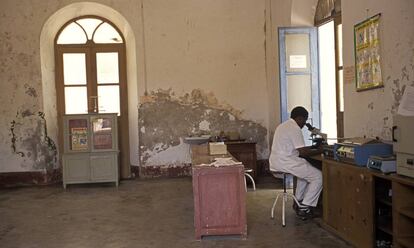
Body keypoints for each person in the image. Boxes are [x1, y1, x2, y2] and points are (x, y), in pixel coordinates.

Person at [269, 106, 323, 218]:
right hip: (286, 162)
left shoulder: (283, 125)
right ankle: (305, 207)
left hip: (277, 161)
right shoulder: (295, 128)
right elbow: (303, 152)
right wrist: (321, 149)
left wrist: (313, 148)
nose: (305, 124)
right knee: (318, 176)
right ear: (299, 118)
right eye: (305, 120)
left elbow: (298, 147)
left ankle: (298, 202)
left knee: (304, 173)